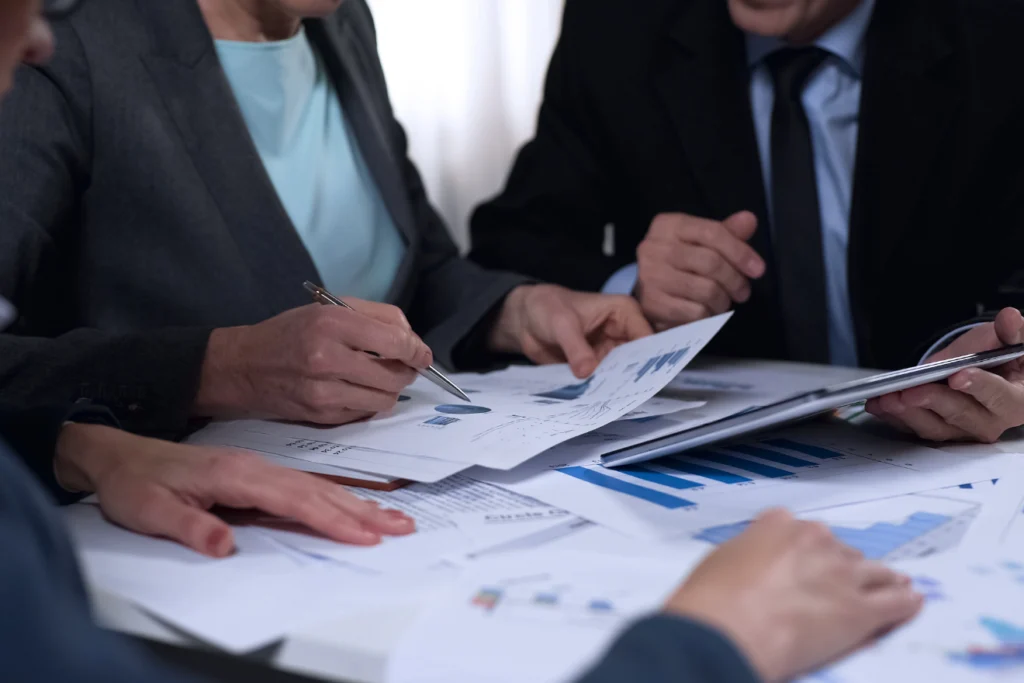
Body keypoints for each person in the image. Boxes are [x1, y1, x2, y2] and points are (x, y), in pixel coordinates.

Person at [0, 0, 651, 445]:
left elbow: (415, 269)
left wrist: (517, 310)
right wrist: (218, 367)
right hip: (174, 535)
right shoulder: (59, 39)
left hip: (394, 496)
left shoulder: (341, 22)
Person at [469, 0, 1024, 445]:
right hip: (722, 455)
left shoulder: (996, 28)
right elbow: (511, 247)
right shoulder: (619, 23)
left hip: (944, 458)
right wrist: (633, 287)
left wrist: (998, 350)